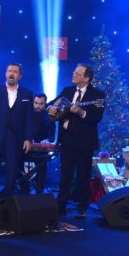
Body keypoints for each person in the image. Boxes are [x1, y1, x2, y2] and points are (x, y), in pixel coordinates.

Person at [48, 64, 105, 218]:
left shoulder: (98, 95)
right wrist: (50, 108)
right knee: (65, 174)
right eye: (74, 72)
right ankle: (61, 205)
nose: (73, 75)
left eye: (77, 74)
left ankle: (82, 206)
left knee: (83, 175)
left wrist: (80, 111)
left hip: (85, 142)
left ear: (86, 78)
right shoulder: (67, 91)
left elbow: (96, 118)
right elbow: (50, 103)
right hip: (67, 139)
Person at [0, 63, 33, 212]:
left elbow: (29, 118)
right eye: (9, 71)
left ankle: (8, 203)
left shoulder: (27, 94)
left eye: (15, 72)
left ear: (20, 76)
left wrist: (28, 138)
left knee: (11, 172)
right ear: (5, 73)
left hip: (15, 139)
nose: (12, 74)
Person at [20, 93, 56, 195]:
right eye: (36, 103)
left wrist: (47, 140)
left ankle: (39, 191)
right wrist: (27, 139)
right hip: (25, 148)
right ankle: (24, 192)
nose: (38, 106)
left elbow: (52, 136)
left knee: (42, 164)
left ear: (45, 104)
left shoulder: (49, 117)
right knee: (20, 163)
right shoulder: (26, 115)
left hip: (40, 150)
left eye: (41, 104)